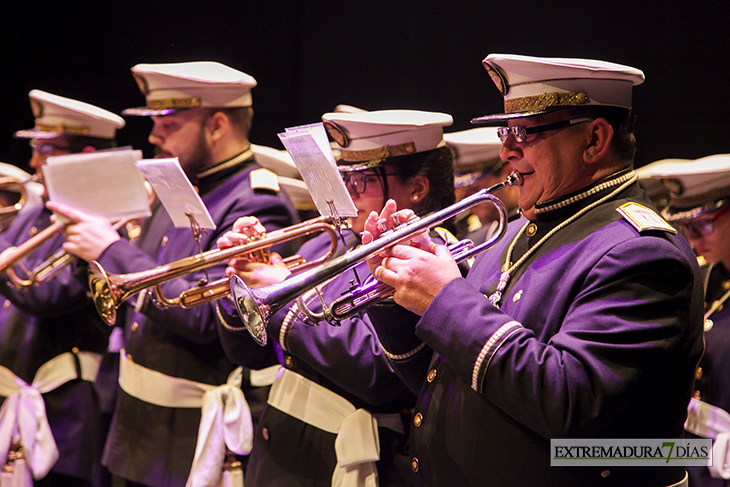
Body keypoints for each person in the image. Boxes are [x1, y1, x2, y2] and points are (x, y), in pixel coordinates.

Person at [361, 54, 704, 486]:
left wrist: (445, 298)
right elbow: (445, 378)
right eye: (506, 131)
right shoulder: (514, 232)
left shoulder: (642, 253)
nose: (506, 150)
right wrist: (396, 294)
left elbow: (569, 403)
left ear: (594, 140)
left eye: (525, 131)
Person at [46, 61, 299, 487]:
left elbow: (204, 318)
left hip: (189, 439)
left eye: (168, 122)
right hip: (135, 429)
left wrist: (111, 249)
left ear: (217, 125)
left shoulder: (256, 201)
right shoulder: (180, 184)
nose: (153, 135)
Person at [215, 109, 456, 487]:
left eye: (365, 178)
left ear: (418, 188)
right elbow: (247, 354)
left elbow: (377, 371)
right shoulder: (325, 242)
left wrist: (282, 299)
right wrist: (240, 284)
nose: (349, 191)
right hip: (279, 450)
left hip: (341, 461)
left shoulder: (434, 258)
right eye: (346, 177)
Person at [0, 90, 125, 487]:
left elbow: (45, 295)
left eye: (46, 149)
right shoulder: (39, 210)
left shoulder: (104, 223)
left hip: (63, 407)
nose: (34, 162)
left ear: (86, 153)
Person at [651, 154, 730, 486]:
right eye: (685, 227)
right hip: (695, 459)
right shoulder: (701, 280)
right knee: (572, 453)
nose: (693, 239)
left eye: (704, 224)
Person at [444, 127, 520, 243]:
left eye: (474, 189)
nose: (467, 201)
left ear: (510, 173)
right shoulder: (472, 230)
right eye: (463, 191)